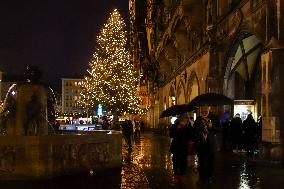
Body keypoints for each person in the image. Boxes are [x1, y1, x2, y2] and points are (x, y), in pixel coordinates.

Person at [194, 105, 218, 183]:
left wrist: (212, 126)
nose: (204, 113)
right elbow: (195, 130)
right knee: (201, 162)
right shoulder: (198, 119)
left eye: (205, 111)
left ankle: (209, 176)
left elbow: (220, 129)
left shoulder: (214, 118)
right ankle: (202, 177)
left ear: (209, 110)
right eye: (202, 112)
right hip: (201, 144)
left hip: (210, 144)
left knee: (210, 162)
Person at [169, 113, 194, 182]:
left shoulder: (189, 126)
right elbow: (171, 134)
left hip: (184, 146)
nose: (183, 119)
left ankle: (182, 174)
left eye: (184, 118)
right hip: (176, 146)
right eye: (181, 118)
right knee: (175, 161)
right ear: (179, 118)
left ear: (186, 119)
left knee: (183, 161)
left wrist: (191, 141)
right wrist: (177, 129)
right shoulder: (175, 124)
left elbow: (192, 135)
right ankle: (176, 175)